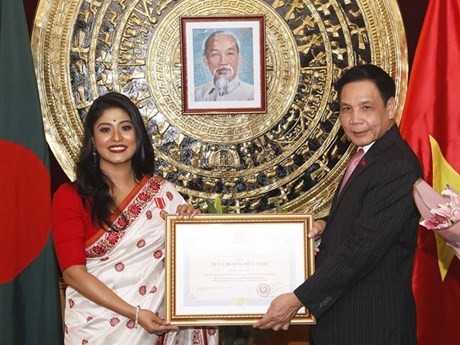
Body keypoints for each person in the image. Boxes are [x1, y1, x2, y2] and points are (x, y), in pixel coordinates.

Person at [254, 64, 423, 345]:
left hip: (371, 325)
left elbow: (361, 250)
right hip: (348, 319)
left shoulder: (396, 165)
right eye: (346, 109)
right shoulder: (370, 154)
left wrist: (298, 297)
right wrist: (327, 227)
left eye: (366, 108)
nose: (355, 119)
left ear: (390, 107)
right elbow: (364, 221)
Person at [52, 92, 218, 345]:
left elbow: (196, 265)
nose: (116, 138)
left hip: (159, 322)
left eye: (125, 128)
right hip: (96, 327)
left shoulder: (163, 194)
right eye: (105, 129)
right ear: (92, 139)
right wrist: (135, 314)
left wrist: (190, 226)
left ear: (137, 135)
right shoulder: (70, 196)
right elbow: (73, 273)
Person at [194, 30, 254, 101]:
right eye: (215, 54)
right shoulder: (196, 95)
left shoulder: (252, 94)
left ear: (239, 58)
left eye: (229, 53)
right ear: (205, 60)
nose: (223, 62)